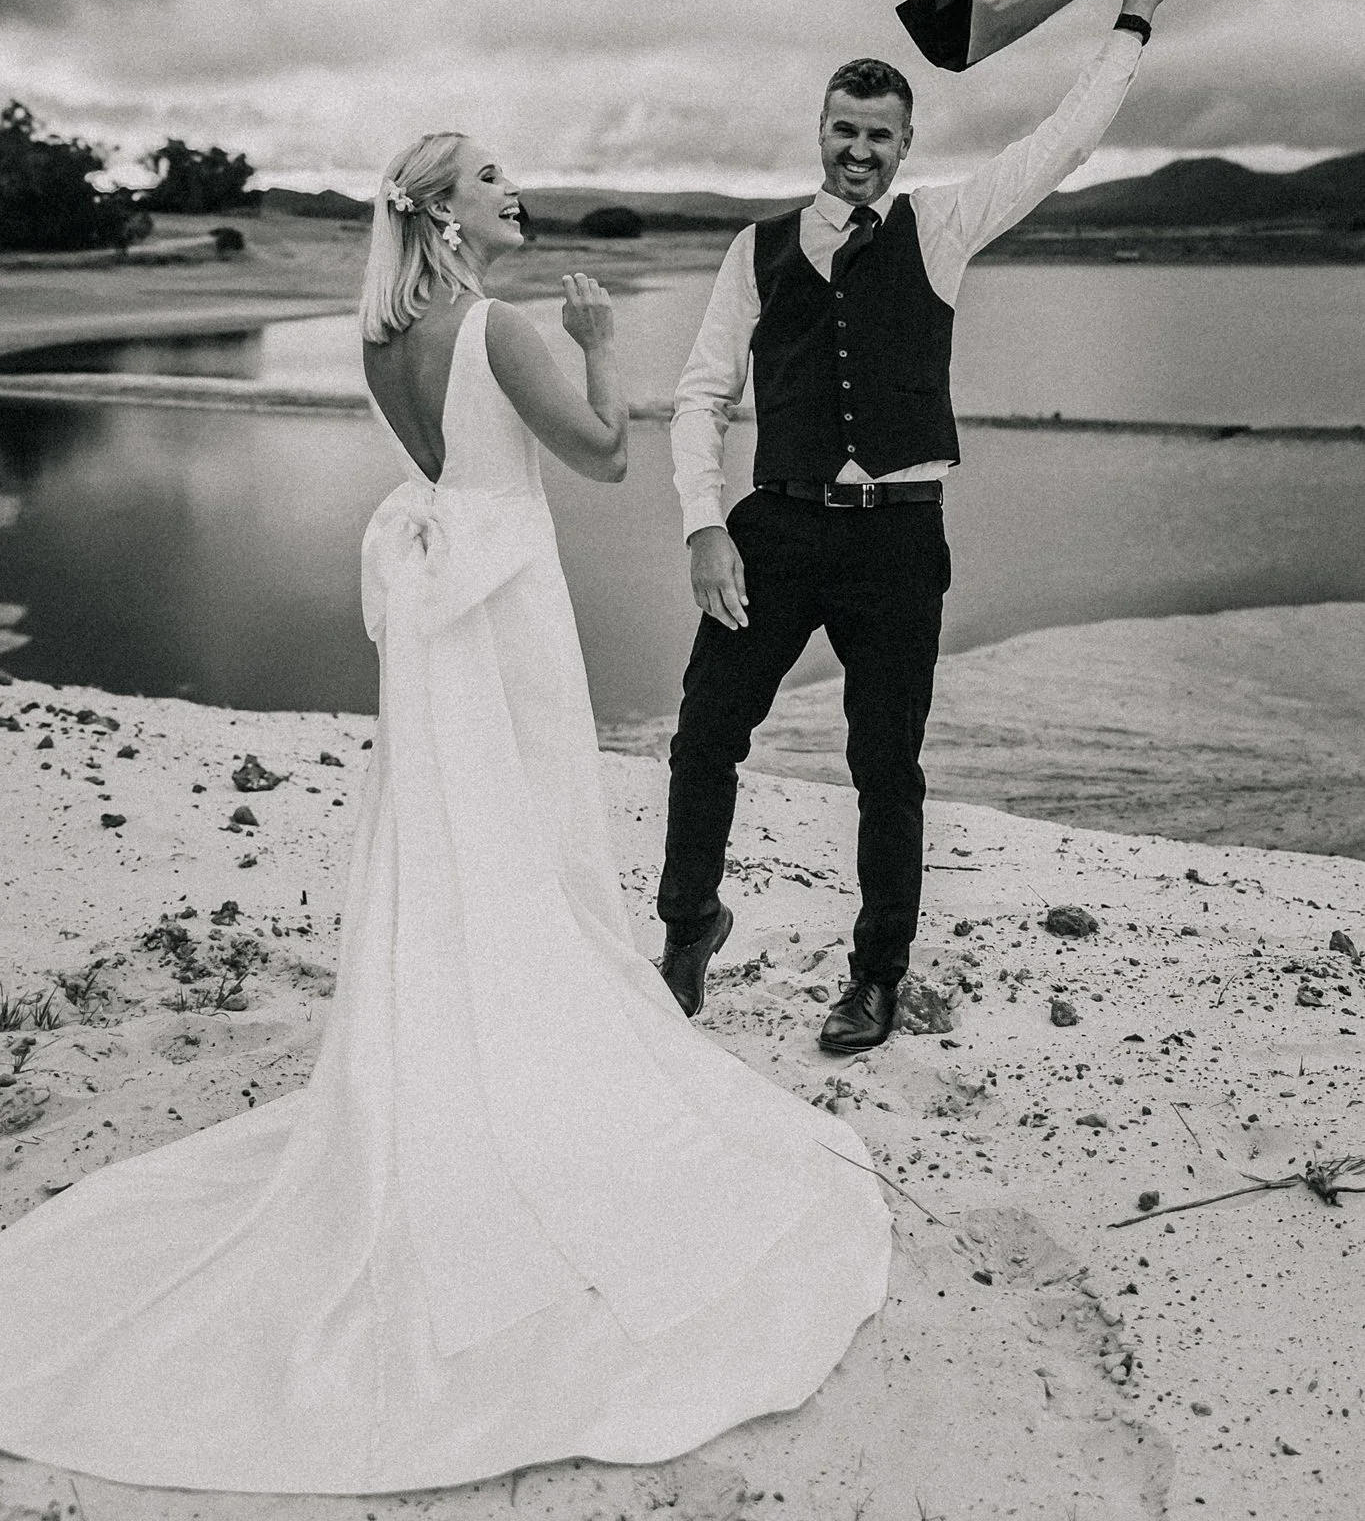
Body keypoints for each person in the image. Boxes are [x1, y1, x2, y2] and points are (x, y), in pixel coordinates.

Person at [0, 130, 890, 1495]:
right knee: (529, 829)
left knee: (449, 831)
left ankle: (460, 1032)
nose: (510, 189)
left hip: (437, 602)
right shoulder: (500, 327)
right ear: (440, 213)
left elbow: (436, 459)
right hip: (506, 595)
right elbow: (603, 455)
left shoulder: (378, 337)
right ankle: (528, 1060)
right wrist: (601, 343)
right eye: (486, 178)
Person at [659, 0, 1176, 1053]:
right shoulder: (755, 250)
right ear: (821, 131)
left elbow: (1063, 142)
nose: (859, 149)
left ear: (905, 144)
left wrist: (1130, 21)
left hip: (897, 537)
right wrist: (704, 524)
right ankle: (687, 924)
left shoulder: (941, 227)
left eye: (879, 135)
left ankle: (876, 976)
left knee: (885, 766)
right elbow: (702, 395)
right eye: (843, 130)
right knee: (703, 734)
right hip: (775, 529)